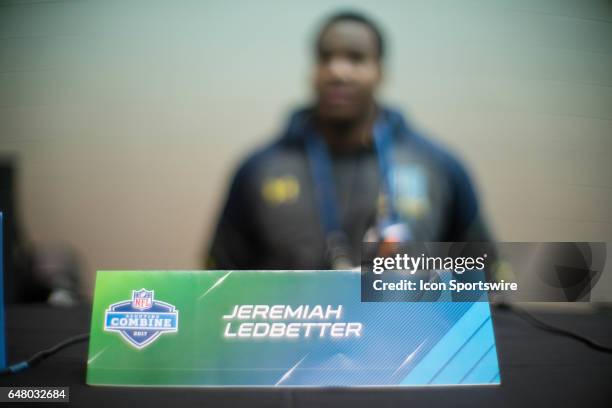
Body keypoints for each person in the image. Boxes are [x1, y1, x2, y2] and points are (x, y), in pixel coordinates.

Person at [205, 11, 492, 270]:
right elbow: (217, 285)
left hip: (407, 329)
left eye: (356, 58)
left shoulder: (438, 166)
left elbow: (485, 280)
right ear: (313, 70)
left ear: (380, 71)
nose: (337, 72)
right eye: (325, 58)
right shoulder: (259, 169)